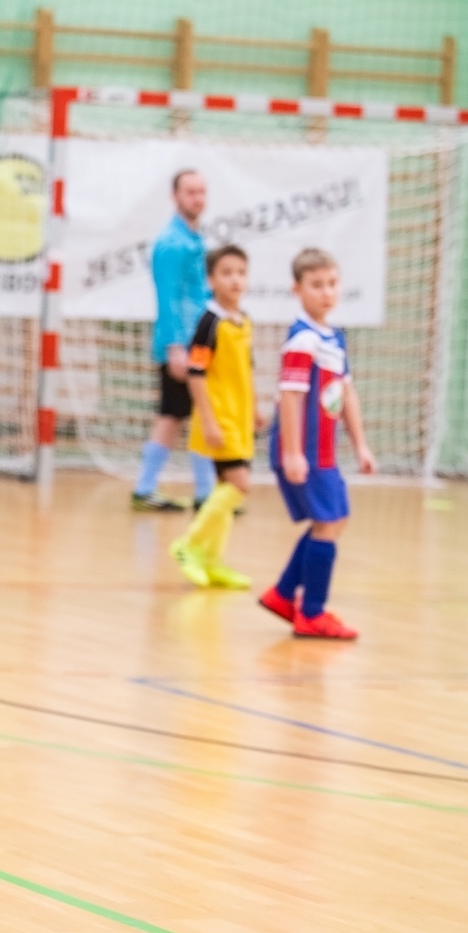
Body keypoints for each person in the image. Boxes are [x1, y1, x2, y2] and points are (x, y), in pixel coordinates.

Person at [260, 248, 376, 639]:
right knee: (331, 521)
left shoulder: (334, 339)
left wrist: (361, 445)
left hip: (323, 450)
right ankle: (311, 612)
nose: (326, 293)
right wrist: (293, 452)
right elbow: (290, 397)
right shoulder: (302, 341)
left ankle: (282, 594)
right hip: (304, 449)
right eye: (316, 285)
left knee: (331, 520)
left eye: (332, 284)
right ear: (298, 289)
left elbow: (346, 394)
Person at [169, 245, 259, 589]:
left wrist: (255, 408)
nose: (235, 279)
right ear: (211, 280)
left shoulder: (244, 320)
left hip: (239, 417)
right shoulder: (210, 322)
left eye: (240, 272)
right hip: (219, 417)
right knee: (240, 485)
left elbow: (245, 369)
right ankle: (189, 544)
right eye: (226, 273)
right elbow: (196, 373)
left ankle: (212, 558)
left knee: (227, 488)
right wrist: (207, 419)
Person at [133, 170, 217, 512]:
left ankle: (204, 492)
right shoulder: (171, 243)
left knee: (193, 413)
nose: (197, 198)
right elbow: (166, 298)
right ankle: (148, 488)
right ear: (176, 196)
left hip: (198, 341)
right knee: (174, 414)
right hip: (180, 345)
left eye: (201, 191)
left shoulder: (195, 241)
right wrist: (175, 348)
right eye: (190, 192)